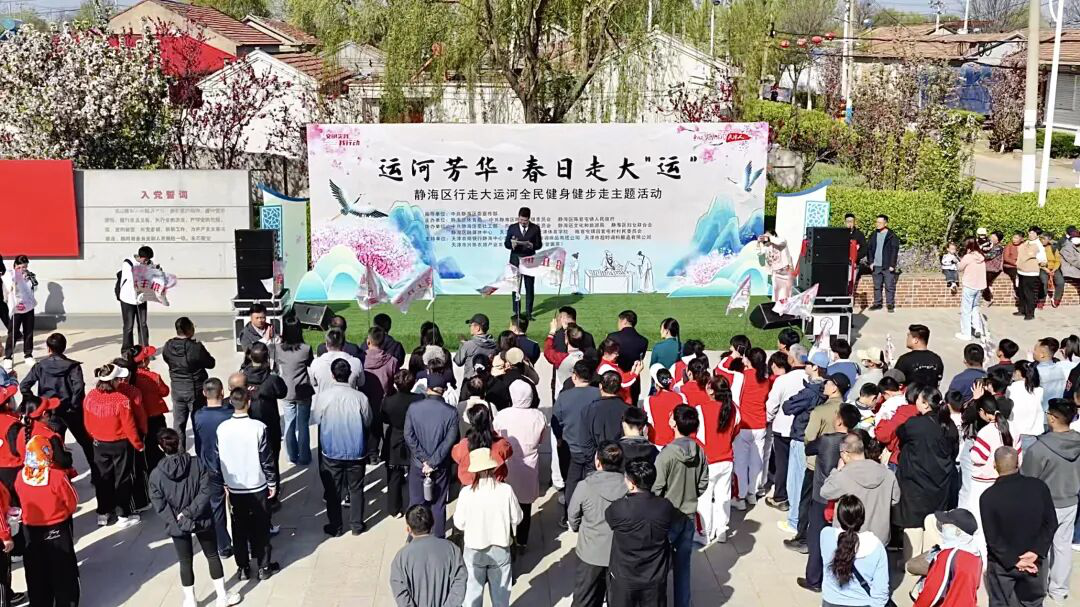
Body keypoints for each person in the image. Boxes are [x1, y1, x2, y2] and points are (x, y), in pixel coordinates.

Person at [148, 428, 241, 607]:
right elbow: (205, 491)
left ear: (160, 448)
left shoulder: (156, 475)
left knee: (185, 561)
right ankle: (222, 597)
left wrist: (178, 520)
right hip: (201, 517)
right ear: (179, 443)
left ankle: (190, 600)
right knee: (212, 555)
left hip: (177, 523)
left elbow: (159, 504)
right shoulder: (197, 464)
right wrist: (189, 513)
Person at [1019, 398, 1080, 603]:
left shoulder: (1039, 449)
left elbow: (1027, 480)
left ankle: (1039, 587)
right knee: (1062, 547)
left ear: (1053, 418)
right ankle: (1059, 590)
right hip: (1070, 501)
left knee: (1040, 548)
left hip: (1045, 506)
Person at [981, 446, 1056, 607]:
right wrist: (1036, 551)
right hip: (1034, 562)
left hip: (1002, 565)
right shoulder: (1039, 487)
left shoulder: (988, 497)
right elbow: (1051, 523)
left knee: (1000, 603)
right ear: (1018, 463)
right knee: (1033, 603)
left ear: (994, 465)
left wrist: (1014, 560)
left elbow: (993, 539)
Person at [216, 388, 278, 581]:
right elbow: (267, 459)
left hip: (234, 486)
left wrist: (224, 481)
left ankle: (243, 567)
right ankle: (263, 566)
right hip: (257, 484)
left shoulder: (222, 428)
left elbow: (219, 458)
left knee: (239, 528)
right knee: (261, 526)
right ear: (248, 402)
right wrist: (272, 482)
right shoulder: (258, 427)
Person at [891, 386, 959, 560]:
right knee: (933, 525)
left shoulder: (915, 424)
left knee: (913, 525)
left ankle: (911, 564)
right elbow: (954, 452)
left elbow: (900, 433)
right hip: (941, 483)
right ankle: (930, 563)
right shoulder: (949, 426)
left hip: (914, 483)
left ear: (926, 404)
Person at [18, 332, 93, 485]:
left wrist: (37, 402)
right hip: (71, 411)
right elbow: (79, 387)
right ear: (64, 347)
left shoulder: (40, 366)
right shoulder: (73, 367)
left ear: (48, 348)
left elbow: (24, 385)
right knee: (86, 444)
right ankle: (98, 476)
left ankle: (63, 478)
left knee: (55, 447)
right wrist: (73, 405)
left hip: (49, 413)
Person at [453, 447, 522, 607]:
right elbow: (517, 518)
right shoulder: (506, 490)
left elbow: (459, 523)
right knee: (501, 600)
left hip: (474, 551)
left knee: (472, 598)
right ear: (492, 468)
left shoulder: (466, 493)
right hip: (500, 549)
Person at [15, 435, 79, 607]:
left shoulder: (20, 477)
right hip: (57, 528)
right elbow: (72, 502)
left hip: (31, 531)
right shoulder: (57, 476)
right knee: (63, 570)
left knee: (36, 572)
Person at [801, 404, 860, 592]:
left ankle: (813, 579)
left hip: (822, 495)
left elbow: (808, 448)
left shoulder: (826, 440)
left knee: (816, 537)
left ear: (840, 421)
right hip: (846, 497)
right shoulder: (857, 441)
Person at [654, 404, 707, 606]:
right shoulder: (699, 451)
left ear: (674, 423)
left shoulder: (666, 455)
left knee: (659, 567)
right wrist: (691, 494)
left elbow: (656, 488)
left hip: (668, 518)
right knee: (683, 567)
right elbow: (703, 483)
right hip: (689, 515)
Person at [313, 359, 372, 537]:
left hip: (332, 451)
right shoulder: (360, 398)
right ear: (350, 375)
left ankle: (336, 526)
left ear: (332, 375)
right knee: (356, 488)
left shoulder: (324, 397)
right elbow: (368, 421)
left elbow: (317, 419)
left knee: (333, 491)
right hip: (356, 450)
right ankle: (356, 525)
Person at [607, 461, 677, 607]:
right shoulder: (665, 506)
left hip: (624, 575)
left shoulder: (619, 508)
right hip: (654, 576)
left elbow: (610, 520)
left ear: (632, 484)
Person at [568, 441, 628, 607]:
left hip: (590, 554)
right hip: (620, 555)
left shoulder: (585, 486)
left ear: (598, 462)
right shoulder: (629, 486)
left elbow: (573, 517)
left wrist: (579, 527)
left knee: (584, 600)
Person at [84, 363, 144, 528]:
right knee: (122, 478)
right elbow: (129, 426)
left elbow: (87, 422)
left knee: (102, 478)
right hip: (120, 444)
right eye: (119, 379)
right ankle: (122, 514)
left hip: (98, 443)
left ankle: (103, 512)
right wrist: (138, 444)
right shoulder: (122, 400)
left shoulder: (91, 396)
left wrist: (94, 437)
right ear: (114, 381)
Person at [780, 351, 830, 539]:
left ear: (815, 367)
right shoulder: (827, 388)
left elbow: (788, 407)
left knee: (796, 482)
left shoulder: (810, 391)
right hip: (816, 440)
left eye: (808, 363)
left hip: (801, 438)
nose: (805, 365)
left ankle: (794, 521)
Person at [493, 380, 547, 551]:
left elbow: (496, 437)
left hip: (507, 465)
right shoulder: (538, 416)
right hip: (529, 466)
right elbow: (542, 439)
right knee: (525, 506)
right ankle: (522, 541)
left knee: (506, 506)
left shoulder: (502, 415)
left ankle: (508, 538)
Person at [404, 373, 459, 538]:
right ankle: (438, 538)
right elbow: (449, 440)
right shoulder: (451, 412)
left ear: (427, 388)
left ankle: (414, 536)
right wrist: (433, 462)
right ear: (443, 391)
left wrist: (424, 460)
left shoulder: (414, 408)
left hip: (418, 465)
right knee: (438, 504)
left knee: (416, 503)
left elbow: (408, 436)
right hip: (440, 466)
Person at [821, 431, 900, 545]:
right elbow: (895, 500)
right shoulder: (887, 474)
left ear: (845, 454)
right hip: (879, 539)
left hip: (850, 540)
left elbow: (825, 492)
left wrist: (836, 471)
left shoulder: (843, 476)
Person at [552, 361, 601, 525]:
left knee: (571, 482)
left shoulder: (564, 397)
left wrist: (559, 438)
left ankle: (569, 516)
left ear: (574, 376)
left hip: (570, 448)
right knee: (591, 482)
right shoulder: (599, 394)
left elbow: (556, 421)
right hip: (593, 449)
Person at [819, 495, 890, 607]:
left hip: (831, 600)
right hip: (863, 603)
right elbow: (881, 590)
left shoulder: (826, 534)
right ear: (862, 519)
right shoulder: (876, 546)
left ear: (839, 516)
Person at [390, 505, 467, 607]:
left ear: (408, 529)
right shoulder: (452, 550)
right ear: (433, 523)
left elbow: (400, 592)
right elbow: (460, 581)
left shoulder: (401, 557)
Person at [191, 378, 234, 558]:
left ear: (204, 393)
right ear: (222, 392)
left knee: (216, 507)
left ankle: (223, 546)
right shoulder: (230, 413)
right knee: (239, 506)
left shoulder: (198, 416)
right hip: (231, 466)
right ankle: (246, 543)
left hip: (209, 466)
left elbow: (199, 442)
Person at [907, 509, 984, 607]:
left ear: (957, 531)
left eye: (946, 524)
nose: (942, 526)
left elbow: (933, 592)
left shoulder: (948, 555)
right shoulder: (976, 554)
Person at [962, 393, 1014, 536]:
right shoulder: (1013, 428)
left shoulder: (985, 432)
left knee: (980, 523)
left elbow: (978, 458)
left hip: (983, 482)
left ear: (982, 412)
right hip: (1006, 479)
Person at [697, 377, 740, 544]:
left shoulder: (701, 409)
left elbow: (696, 436)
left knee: (704, 498)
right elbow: (735, 431)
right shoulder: (734, 409)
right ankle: (722, 530)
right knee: (723, 496)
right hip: (726, 459)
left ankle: (705, 533)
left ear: (711, 390)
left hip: (708, 461)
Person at [240, 342, 286, 502]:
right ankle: (273, 494)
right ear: (267, 358)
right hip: (269, 423)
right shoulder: (271, 378)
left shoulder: (243, 376)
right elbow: (282, 392)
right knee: (272, 458)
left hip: (249, 423)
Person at [163, 316, 217, 451]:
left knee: (178, 423)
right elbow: (210, 363)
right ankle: (201, 453)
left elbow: (167, 359)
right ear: (189, 329)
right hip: (195, 390)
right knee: (198, 423)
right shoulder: (196, 348)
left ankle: (179, 454)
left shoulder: (168, 346)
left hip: (177, 389)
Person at [767, 348, 806, 514]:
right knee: (799, 465)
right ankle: (797, 497)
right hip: (803, 429)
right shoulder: (812, 378)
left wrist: (768, 419)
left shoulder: (783, 380)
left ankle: (781, 496)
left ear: (791, 360)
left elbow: (772, 405)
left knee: (782, 464)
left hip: (783, 428)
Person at [382, 370, 424, 518]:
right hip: (414, 437)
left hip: (395, 437)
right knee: (415, 474)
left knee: (393, 475)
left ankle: (394, 508)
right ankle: (416, 504)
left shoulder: (388, 401)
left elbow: (385, 419)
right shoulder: (419, 399)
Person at [735, 347, 771, 504]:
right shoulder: (765, 379)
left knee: (741, 463)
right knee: (757, 461)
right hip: (760, 425)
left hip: (743, 425)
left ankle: (741, 496)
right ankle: (752, 493)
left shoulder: (742, 377)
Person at [276, 315, 314, 466]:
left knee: (289, 423)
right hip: (303, 390)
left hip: (287, 391)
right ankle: (304, 456)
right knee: (303, 425)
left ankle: (292, 455)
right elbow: (310, 363)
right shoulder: (306, 349)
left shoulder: (278, 349)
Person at [130, 345, 170, 471]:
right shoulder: (154, 377)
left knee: (147, 444)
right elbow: (165, 391)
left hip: (140, 419)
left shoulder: (130, 379)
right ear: (143, 361)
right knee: (161, 442)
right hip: (156, 416)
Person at [505, 206, 542, 319]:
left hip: (530, 261)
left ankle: (529, 313)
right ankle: (516, 312)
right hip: (515, 261)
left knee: (529, 287)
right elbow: (506, 243)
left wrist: (532, 245)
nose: (522, 222)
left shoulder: (535, 228)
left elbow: (539, 245)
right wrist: (512, 244)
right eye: (520, 220)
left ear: (529, 219)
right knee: (516, 287)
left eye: (525, 220)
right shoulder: (512, 228)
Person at [605, 310, 649, 404]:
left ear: (624, 321)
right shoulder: (643, 341)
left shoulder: (612, 337)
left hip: (615, 379)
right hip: (634, 380)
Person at [1, 255, 36, 370]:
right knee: (13, 333)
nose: (22, 269)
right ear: (15, 265)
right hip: (16, 308)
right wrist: (14, 281)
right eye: (19, 267)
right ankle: (8, 357)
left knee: (28, 331)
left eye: (24, 267)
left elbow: (34, 288)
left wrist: (28, 279)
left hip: (28, 307)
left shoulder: (29, 275)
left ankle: (28, 355)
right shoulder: (10, 275)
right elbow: (7, 288)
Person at [117, 245, 156, 350]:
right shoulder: (128, 263)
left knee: (143, 324)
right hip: (127, 299)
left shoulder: (148, 264)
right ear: (140, 256)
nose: (146, 262)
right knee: (128, 326)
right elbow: (133, 279)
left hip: (141, 299)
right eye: (145, 260)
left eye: (148, 260)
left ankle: (144, 349)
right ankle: (127, 350)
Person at [865, 214, 901, 312]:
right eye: (877, 222)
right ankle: (877, 304)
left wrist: (892, 265)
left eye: (880, 222)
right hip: (876, 265)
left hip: (887, 266)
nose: (878, 224)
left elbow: (894, 250)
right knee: (877, 286)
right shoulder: (873, 235)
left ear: (885, 223)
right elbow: (869, 249)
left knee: (889, 286)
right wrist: (871, 262)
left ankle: (890, 304)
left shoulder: (892, 236)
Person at [644, 366, 685, 449]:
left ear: (656, 384)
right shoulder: (681, 397)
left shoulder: (649, 400)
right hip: (676, 443)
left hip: (656, 443)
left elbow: (648, 422)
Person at [894, 324, 945, 388]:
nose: (907, 339)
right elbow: (938, 381)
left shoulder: (904, 360)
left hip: (911, 394)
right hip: (931, 394)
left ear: (916, 340)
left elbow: (894, 382)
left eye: (908, 336)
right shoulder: (937, 359)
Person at [1007, 360, 1044, 446]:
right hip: (1035, 437)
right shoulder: (1039, 390)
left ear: (1018, 372)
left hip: (1015, 435)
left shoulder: (1011, 389)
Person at [956, 238, 987, 340]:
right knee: (975, 307)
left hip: (969, 285)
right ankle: (978, 328)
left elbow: (959, 268)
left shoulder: (968, 257)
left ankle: (966, 334)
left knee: (966, 310)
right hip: (980, 286)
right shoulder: (981, 256)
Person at [596, 339, 642, 405]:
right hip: (619, 402)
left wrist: (632, 371)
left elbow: (621, 376)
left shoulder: (609, 364)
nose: (617, 355)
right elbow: (623, 383)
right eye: (615, 353)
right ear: (606, 353)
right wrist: (636, 373)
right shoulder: (606, 368)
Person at [455, 314, 498, 381]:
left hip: (470, 383)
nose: (470, 328)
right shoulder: (495, 345)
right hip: (489, 382)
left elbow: (458, 361)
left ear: (477, 328)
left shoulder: (468, 345)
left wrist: (462, 345)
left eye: (470, 325)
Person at [1014, 227, 1045, 321]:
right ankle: (1022, 310)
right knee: (1021, 292)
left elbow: (1042, 260)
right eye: (1030, 232)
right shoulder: (1026, 243)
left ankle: (1030, 313)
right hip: (1021, 270)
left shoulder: (1038, 245)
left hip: (1031, 272)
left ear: (1037, 235)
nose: (1030, 235)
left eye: (1033, 233)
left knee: (1029, 293)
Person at [364, 325, 400, 399]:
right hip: (385, 400)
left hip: (365, 398)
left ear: (368, 342)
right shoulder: (392, 361)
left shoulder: (360, 359)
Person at [757, 230, 794, 302]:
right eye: (764, 236)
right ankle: (776, 307)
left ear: (774, 235)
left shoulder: (781, 242)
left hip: (785, 272)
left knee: (787, 295)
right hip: (775, 273)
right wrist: (758, 243)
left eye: (767, 235)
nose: (765, 237)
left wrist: (768, 238)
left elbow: (782, 241)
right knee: (776, 295)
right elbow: (760, 257)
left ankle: (786, 307)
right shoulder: (766, 247)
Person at [1035, 338, 1067, 406]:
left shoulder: (1036, 371)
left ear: (1042, 354)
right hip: (1058, 409)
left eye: (1035, 350)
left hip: (1042, 409)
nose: (1033, 352)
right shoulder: (1061, 368)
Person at [1040, 231, 1065, 308]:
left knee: (1060, 282)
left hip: (1054, 268)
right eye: (1041, 239)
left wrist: (1054, 270)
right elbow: (1037, 260)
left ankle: (1056, 299)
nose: (1042, 240)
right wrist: (1045, 268)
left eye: (1044, 239)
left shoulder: (1054, 247)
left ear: (1049, 239)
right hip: (1043, 268)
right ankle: (1041, 300)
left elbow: (1058, 260)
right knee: (1043, 282)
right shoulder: (1038, 247)